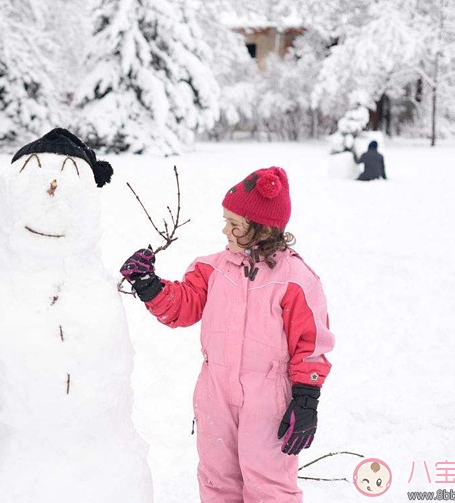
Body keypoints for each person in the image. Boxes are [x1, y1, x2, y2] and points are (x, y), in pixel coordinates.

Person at [120, 167, 335, 503]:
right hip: (215, 392)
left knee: (269, 485)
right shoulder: (213, 268)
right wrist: (149, 286)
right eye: (226, 221)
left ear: (264, 231)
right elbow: (183, 306)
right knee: (217, 480)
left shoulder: (295, 279)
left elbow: (311, 344)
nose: (226, 230)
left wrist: (306, 399)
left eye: (235, 225)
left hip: (268, 399)